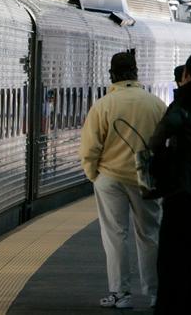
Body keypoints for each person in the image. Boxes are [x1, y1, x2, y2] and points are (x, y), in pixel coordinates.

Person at [80, 51, 167, 309]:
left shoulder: (104, 105)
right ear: (136, 72)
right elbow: (165, 143)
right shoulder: (155, 104)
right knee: (149, 235)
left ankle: (120, 294)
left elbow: (89, 148)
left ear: (112, 75)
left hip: (110, 178)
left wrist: (94, 174)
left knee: (116, 236)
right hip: (146, 179)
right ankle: (154, 295)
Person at [147, 52, 191, 314]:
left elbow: (156, 140)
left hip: (184, 192)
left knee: (175, 257)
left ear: (186, 74)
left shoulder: (185, 100)